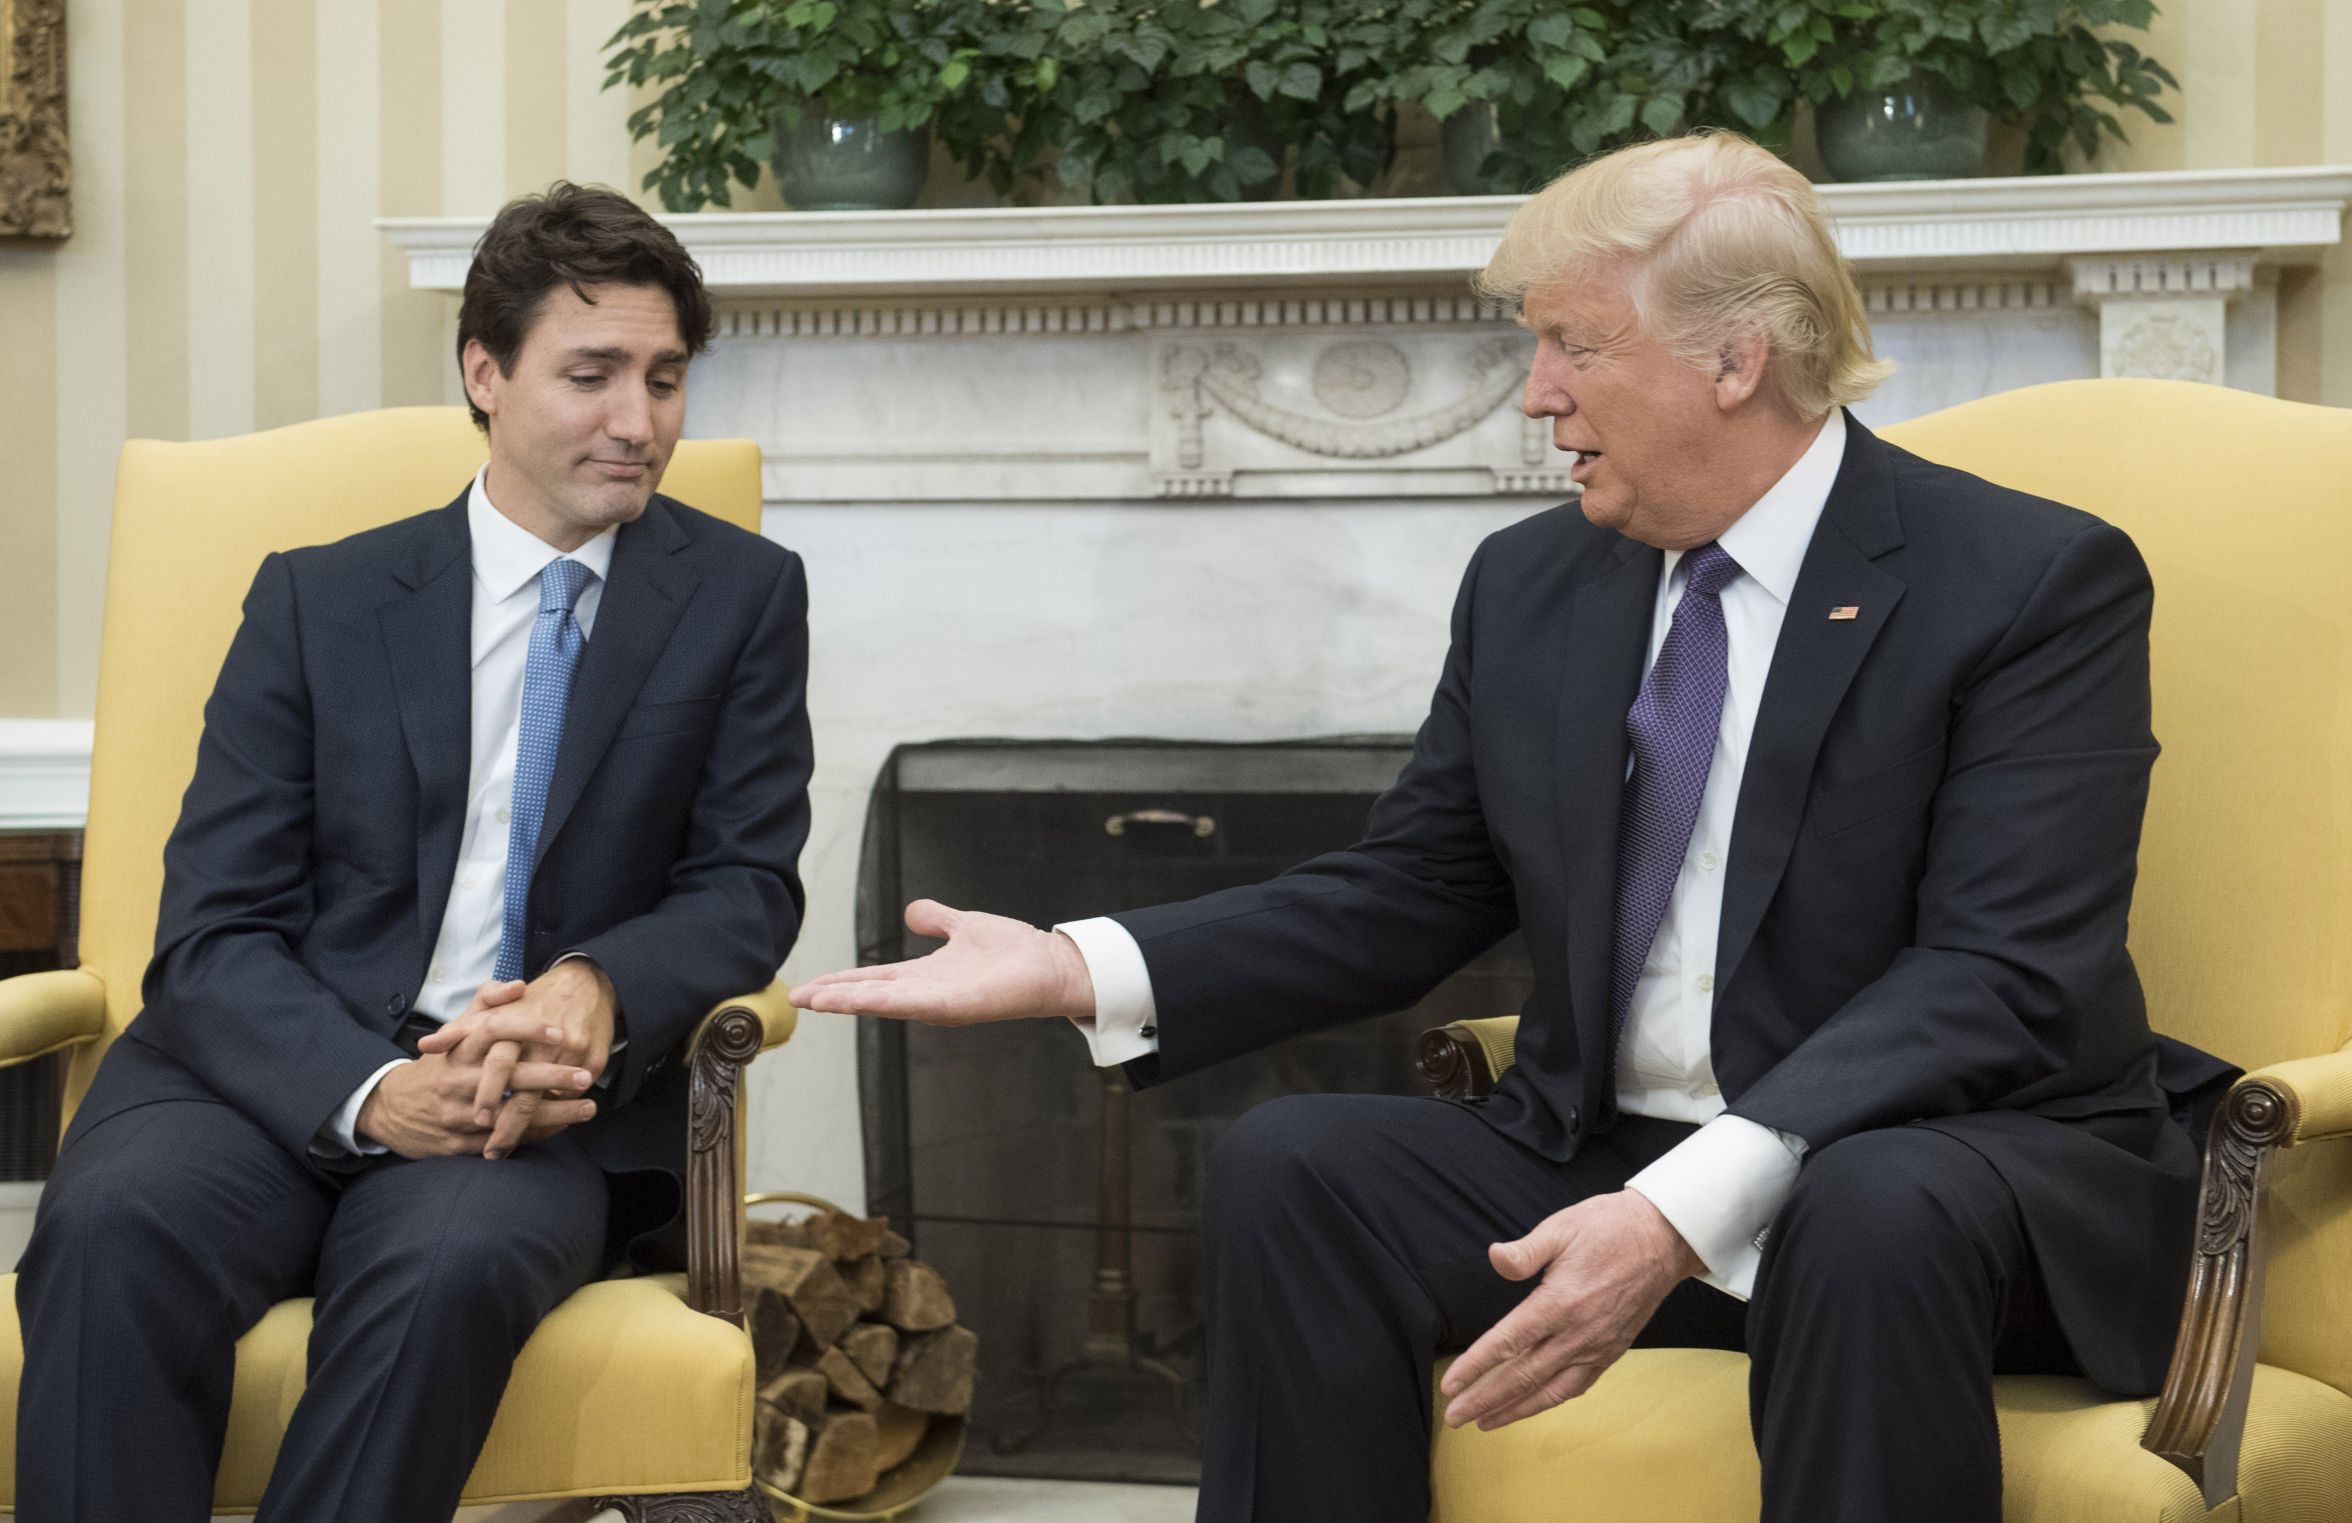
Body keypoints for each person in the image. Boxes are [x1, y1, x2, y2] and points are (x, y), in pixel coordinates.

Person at [797, 133, 2233, 1523]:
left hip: (1945, 1166)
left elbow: (1999, 974)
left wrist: (1679, 1212)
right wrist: (1078, 964)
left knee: (1870, 1203)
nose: (1536, 395)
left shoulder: (2031, 581)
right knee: (1295, 1169)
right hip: (1609, 1145)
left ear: (1738, 360)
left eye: (1575, 346)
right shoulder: (1537, 582)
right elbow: (1418, 885)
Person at [15, 182, 812, 1523]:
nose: (640, 421)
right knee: (113, 1232)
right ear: (485, 374)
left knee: (441, 1277)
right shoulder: (317, 599)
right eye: (594, 374)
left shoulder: (740, 596)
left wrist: (595, 989)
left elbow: (746, 883)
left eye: (666, 378)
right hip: (259, 1083)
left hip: (536, 1110)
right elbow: (211, 931)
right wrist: (372, 1087)